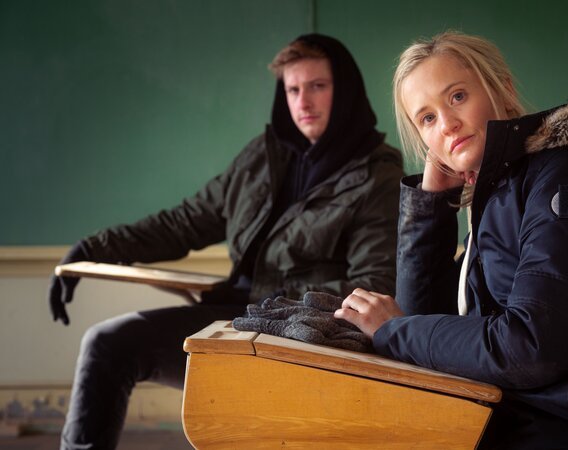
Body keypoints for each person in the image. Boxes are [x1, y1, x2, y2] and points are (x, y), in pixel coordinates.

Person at [334, 31, 568, 449]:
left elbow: (531, 348)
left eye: (458, 97)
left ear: (502, 89)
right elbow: (424, 321)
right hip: (519, 417)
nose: (446, 124)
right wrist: (430, 202)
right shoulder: (500, 193)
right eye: (427, 119)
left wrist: (393, 331)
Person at [50, 34, 404, 450]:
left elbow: (371, 285)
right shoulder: (263, 155)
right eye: (293, 89)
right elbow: (184, 223)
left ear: (344, 91)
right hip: (232, 318)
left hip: (298, 337)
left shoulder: (376, 173)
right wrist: (93, 249)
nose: (303, 102)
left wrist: (287, 321)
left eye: (317, 86)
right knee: (107, 343)